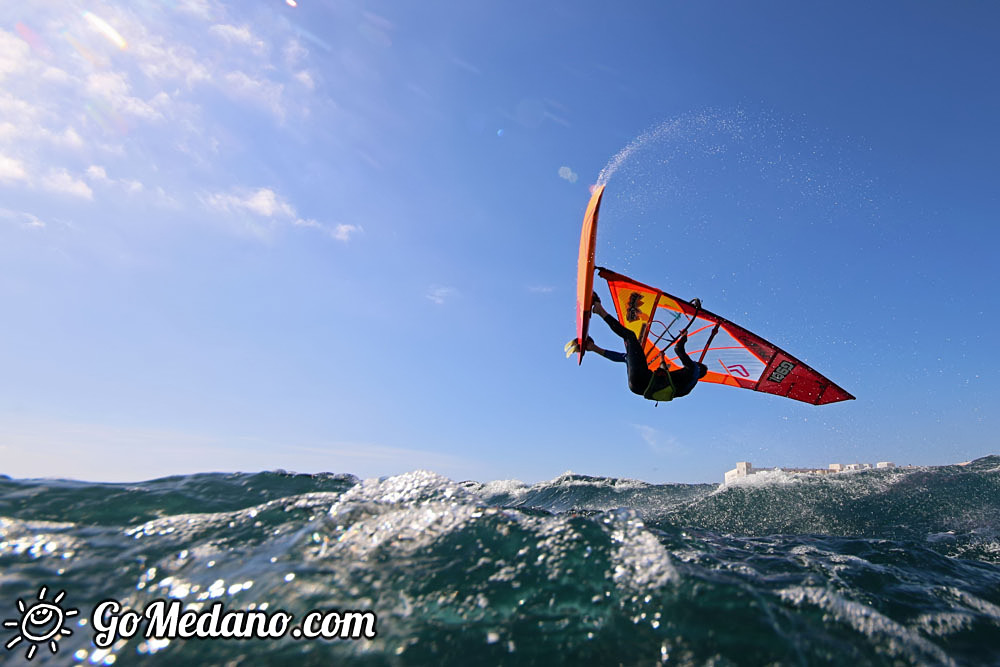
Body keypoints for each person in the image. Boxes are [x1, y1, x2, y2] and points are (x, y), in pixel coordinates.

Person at [585, 293, 707, 402]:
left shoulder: (693, 368)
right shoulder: (686, 387)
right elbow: (665, 374)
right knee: (627, 357)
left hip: (643, 378)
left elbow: (678, 349)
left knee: (630, 336)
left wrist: (684, 337)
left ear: (698, 366)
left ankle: (599, 310)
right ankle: (592, 347)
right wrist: (661, 359)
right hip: (637, 387)